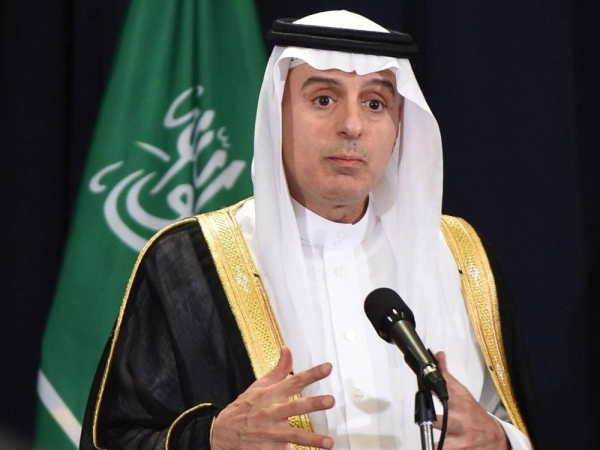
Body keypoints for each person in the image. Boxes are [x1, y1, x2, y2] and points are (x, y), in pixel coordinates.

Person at [80, 10, 536, 450]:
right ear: (275, 116)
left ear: (399, 125)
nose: (352, 126)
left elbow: (515, 419)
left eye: (375, 104)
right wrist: (212, 439)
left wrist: (501, 441)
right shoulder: (190, 262)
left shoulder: (460, 256)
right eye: (323, 99)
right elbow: (116, 439)